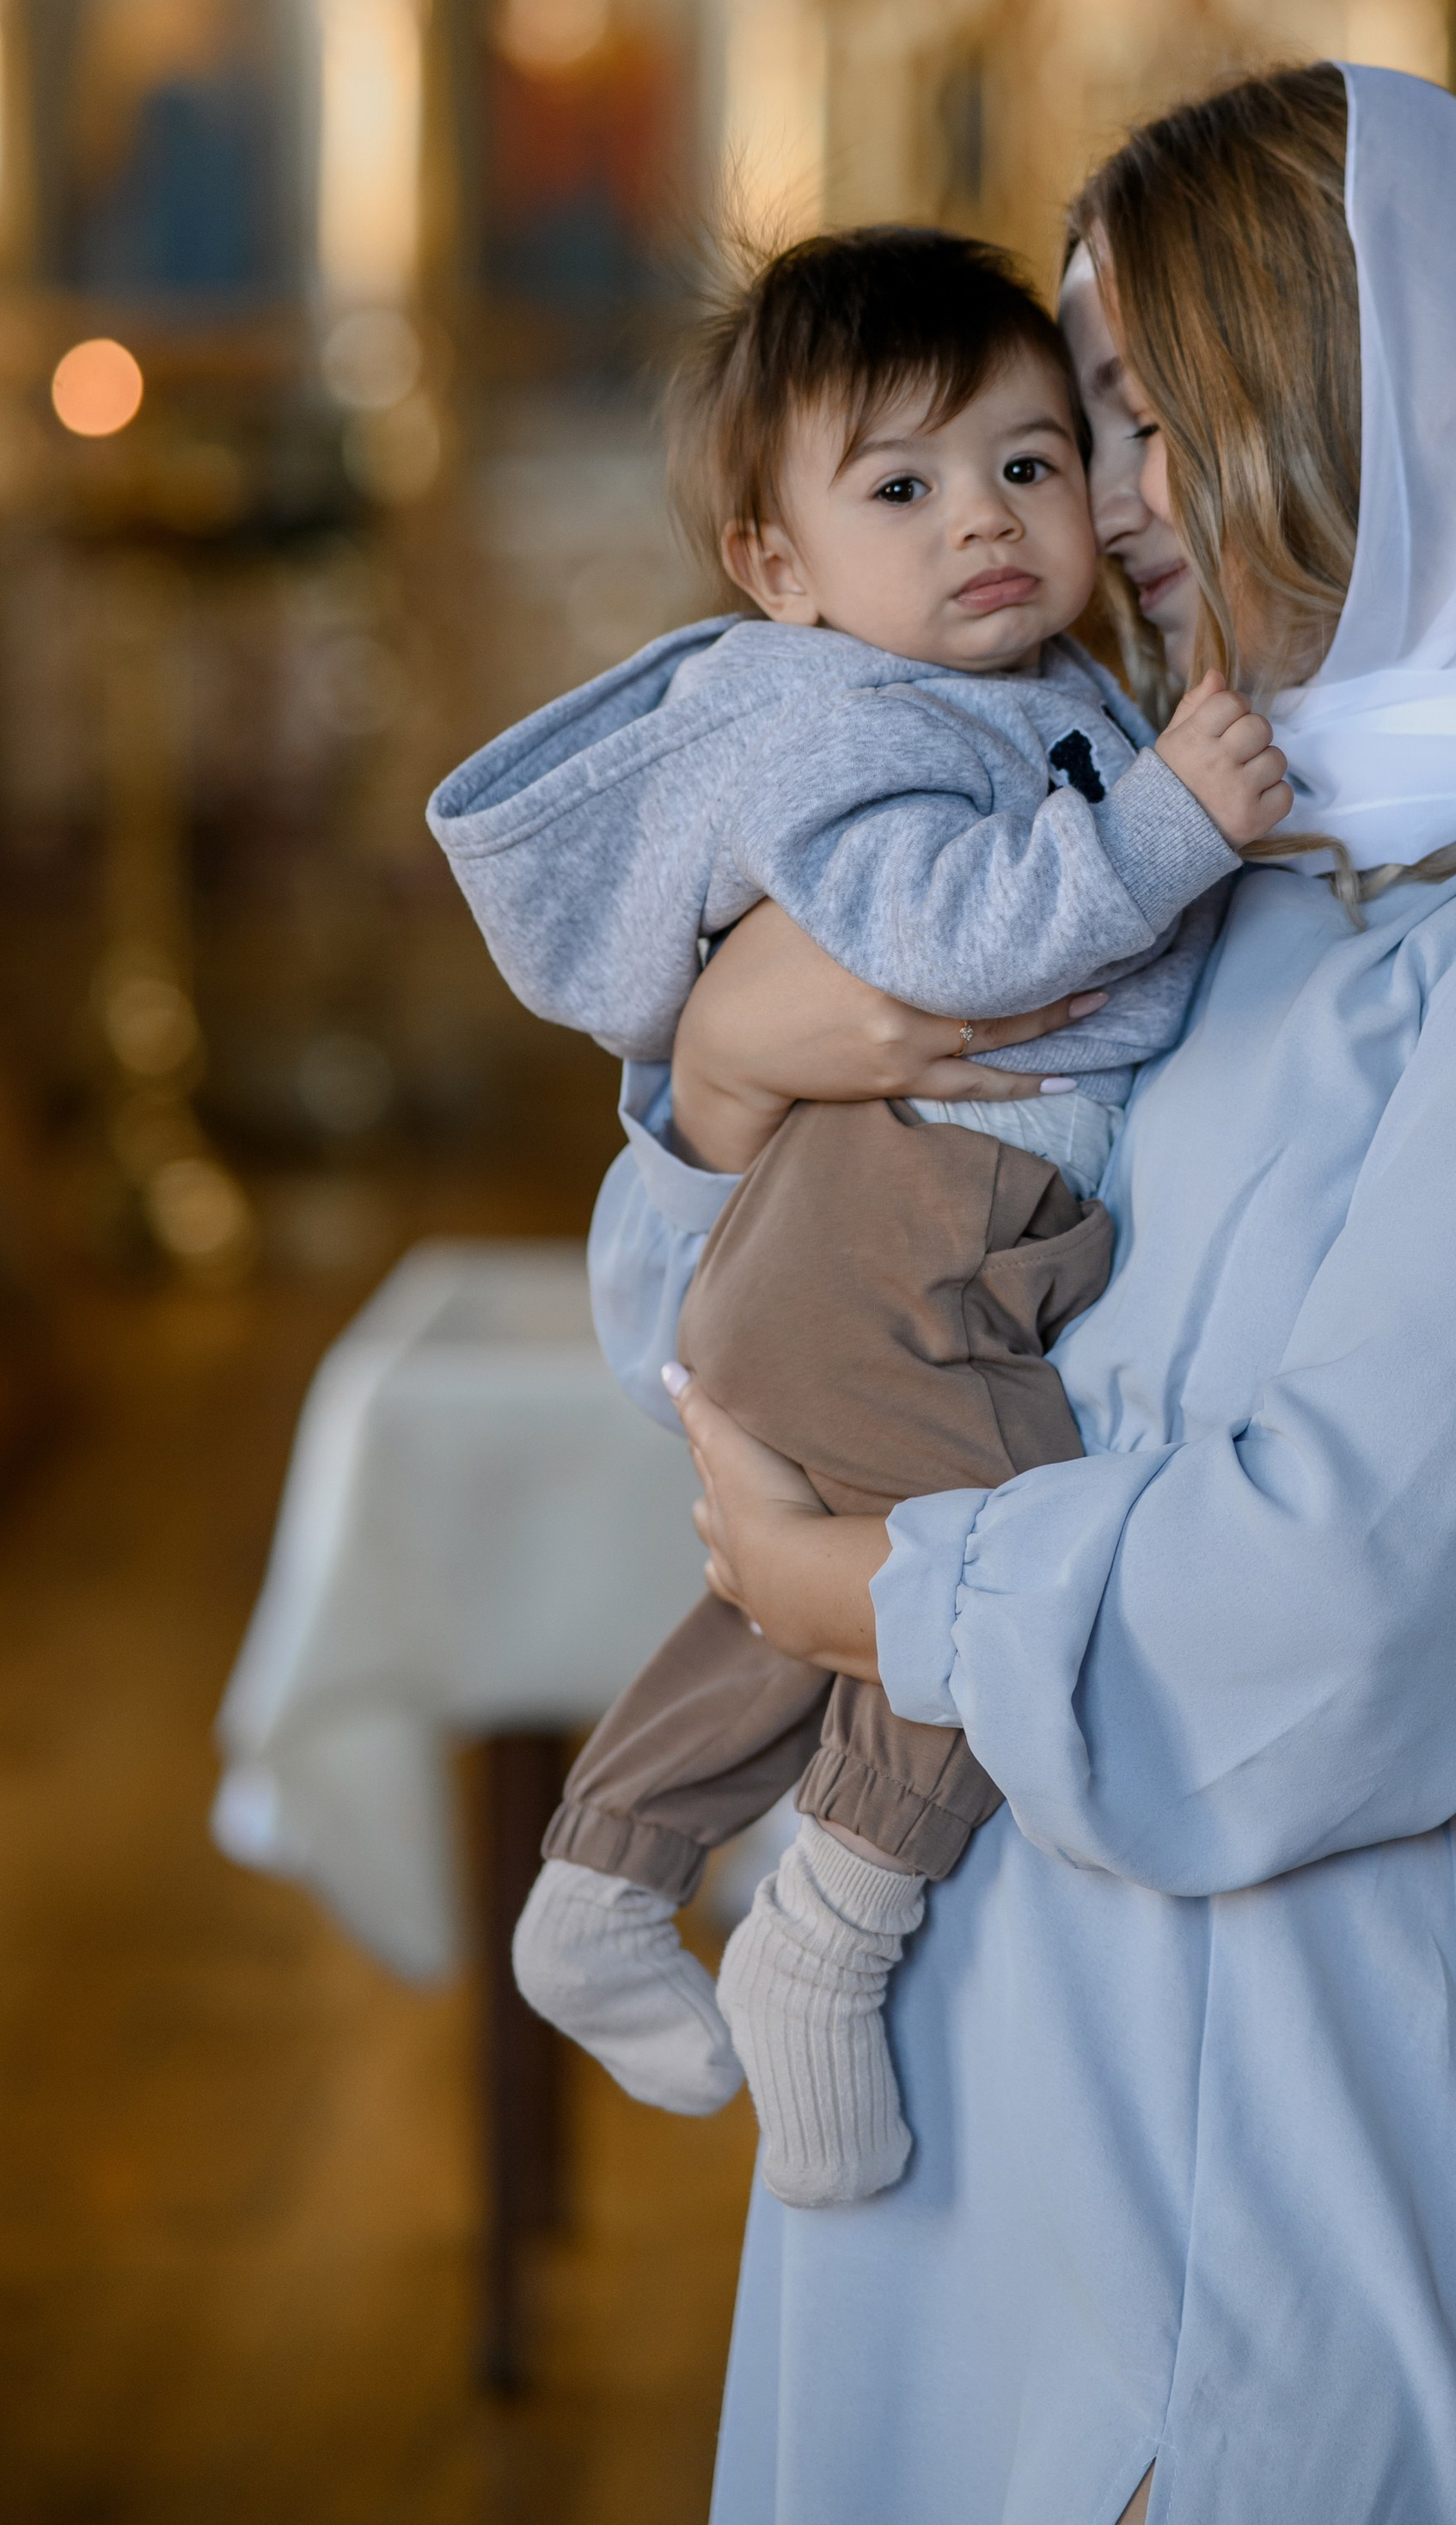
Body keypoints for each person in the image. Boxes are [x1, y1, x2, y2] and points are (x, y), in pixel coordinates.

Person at [592, 64, 1456, 2525]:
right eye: (1078, 421)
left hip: (1277, 2064)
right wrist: (705, 1089)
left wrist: (857, 1587)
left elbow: (1338, 1615)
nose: (1094, 506)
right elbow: (741, 1365)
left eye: (1150, 413)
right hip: (952, 2015)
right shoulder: (1166, 829)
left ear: (1373, 390)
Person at [428, 227, 1271, 2204]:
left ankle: (606, 1869)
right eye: (899, 487)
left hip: (891, 1242)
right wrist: (1179, 819)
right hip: (896, 1231)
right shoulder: (842, 722)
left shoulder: (1018, 679)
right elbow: (939, 944)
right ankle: (834, 1921)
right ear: (776, 570)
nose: (980, 518)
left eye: (1028, 463)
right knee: (984, 1561)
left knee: (813, 1602)